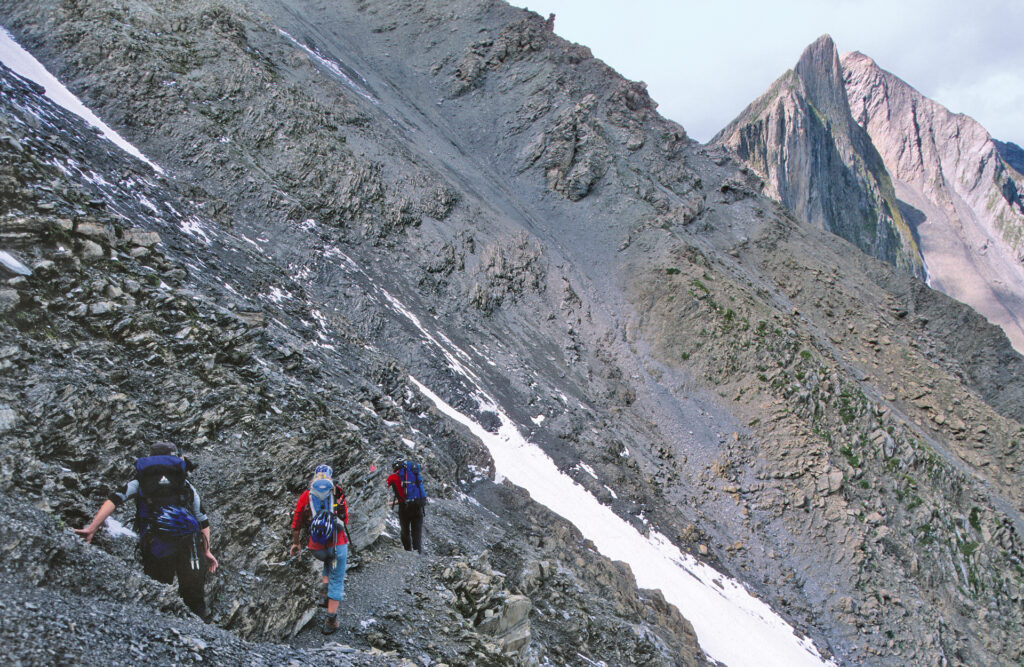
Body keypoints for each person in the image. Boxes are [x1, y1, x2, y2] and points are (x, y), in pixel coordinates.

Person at [75, 441, 218, 621]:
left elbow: (114, 499)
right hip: (189, 547)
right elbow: (202, 519)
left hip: (156, 546)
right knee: (194, 597)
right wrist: (206, 551)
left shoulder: (140, 481)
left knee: (157, 594)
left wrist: (91, 528)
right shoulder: (184, 483)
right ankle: (200, 636)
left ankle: (159, 628)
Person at [290, 464, 349, 635]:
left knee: (327, 562)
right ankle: (330, 621)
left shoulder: (306, 495)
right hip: (337, 545)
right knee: (337, 578)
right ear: (330, 478)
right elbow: (345, 518)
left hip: (316, 547)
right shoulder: (337, 491)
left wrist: (296, 543)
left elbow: (296, 522)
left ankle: (324, 592)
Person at [386, 458, 425, 554]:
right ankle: (417, 554)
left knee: (405, 531)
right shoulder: (415, 476)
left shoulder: (393, 477)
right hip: (418, 505)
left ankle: (408, 552)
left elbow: (383, 487)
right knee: (416, 533)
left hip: (405, 508)